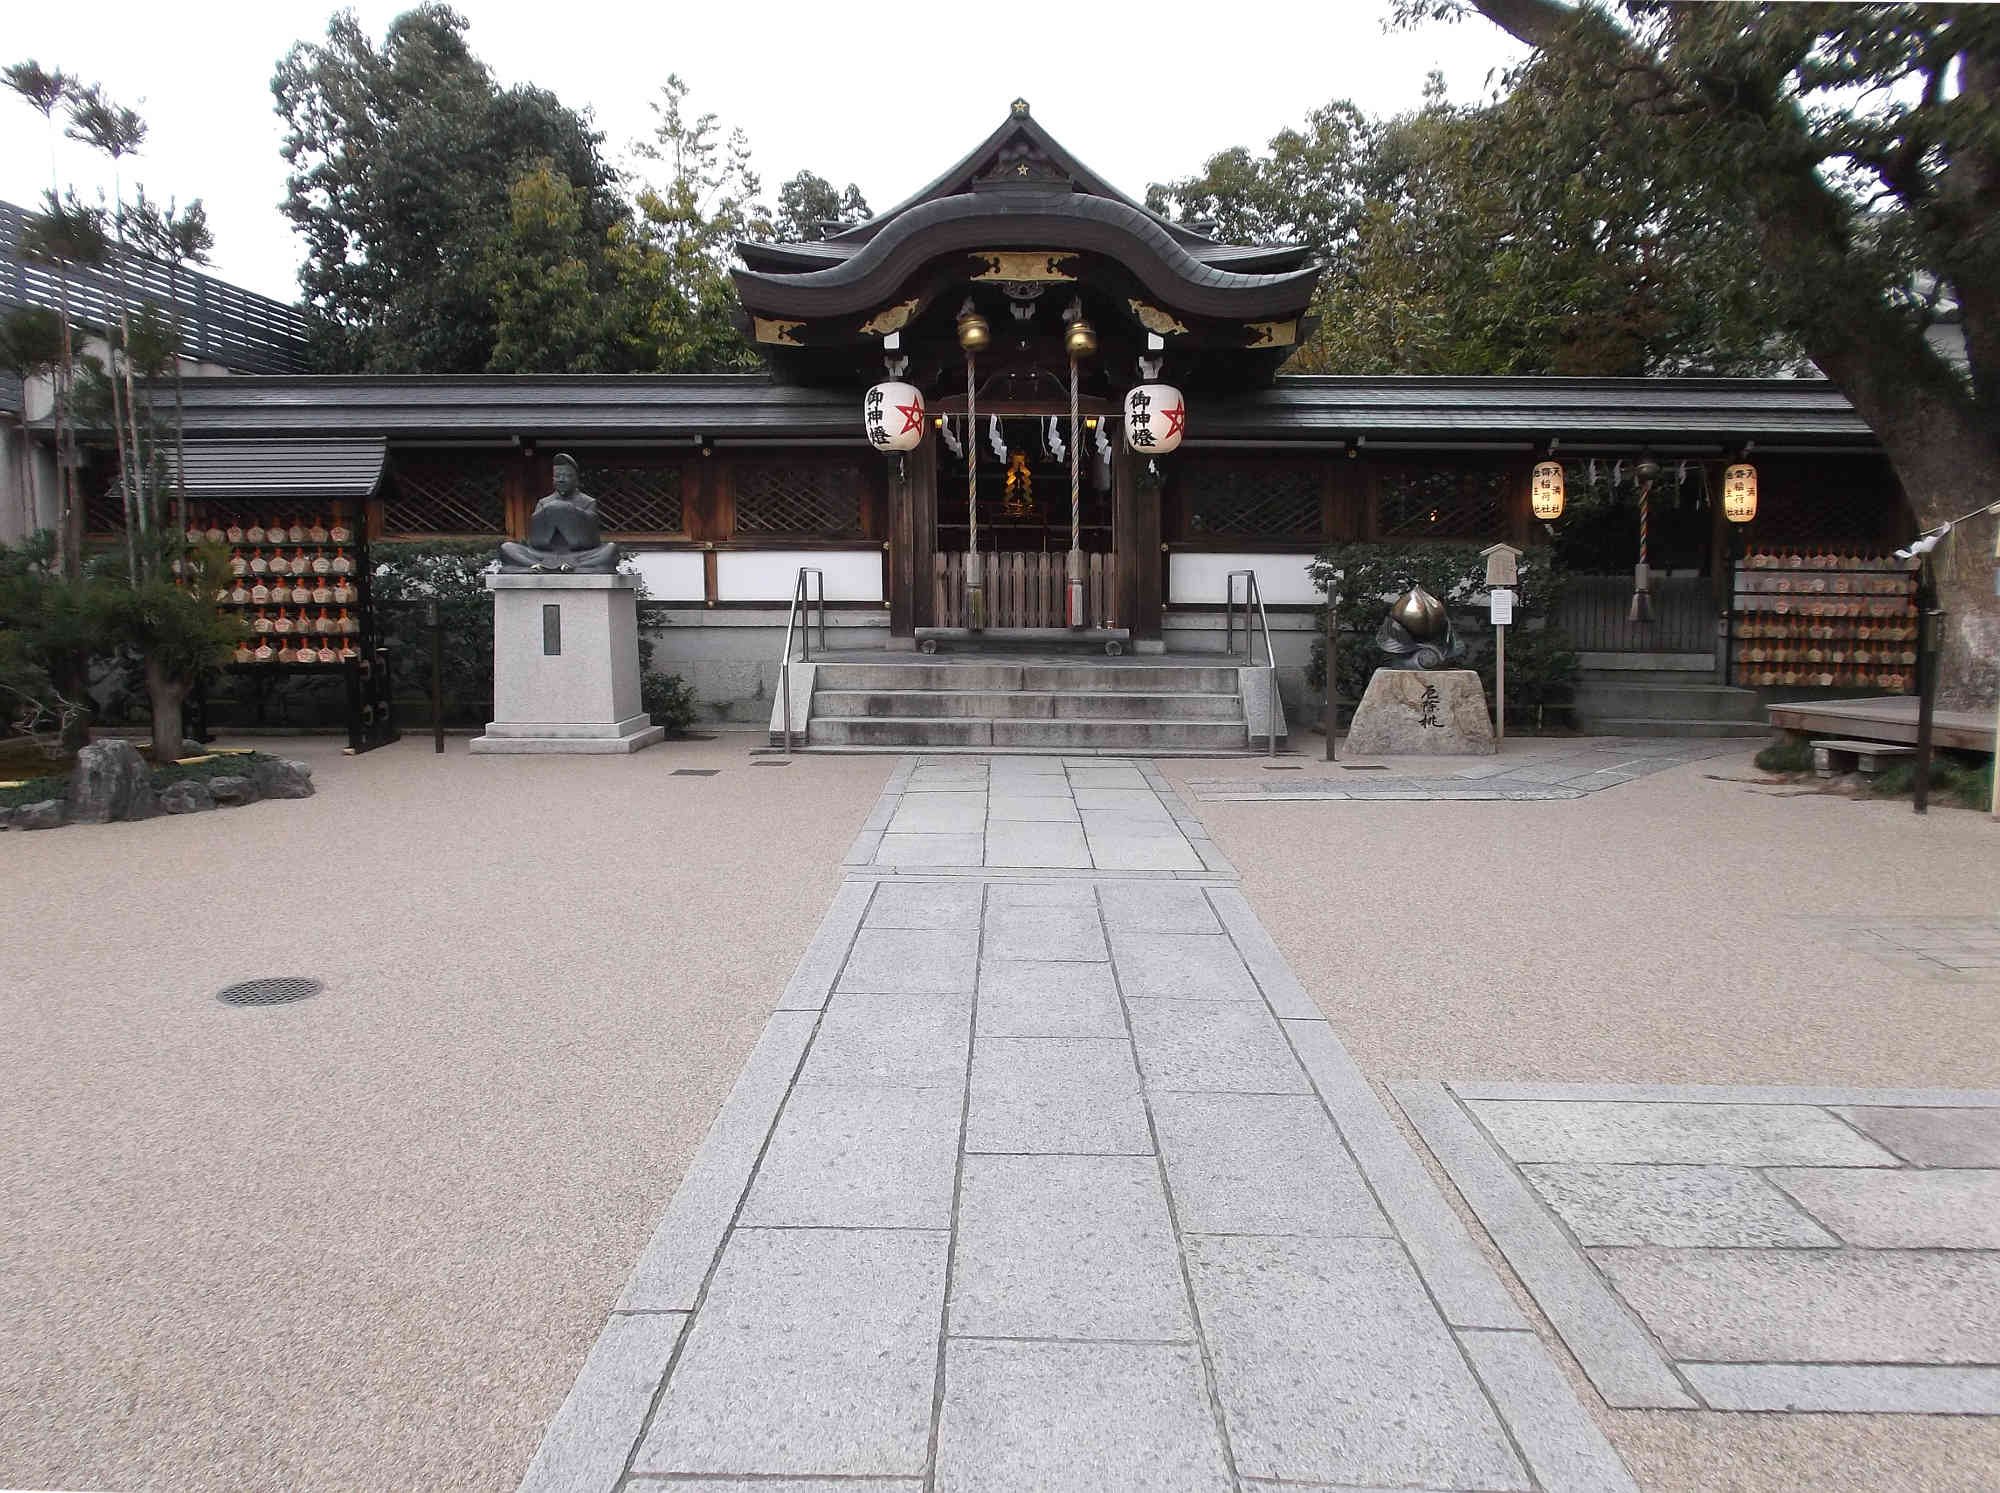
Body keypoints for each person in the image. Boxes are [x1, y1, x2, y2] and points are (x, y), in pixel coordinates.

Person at [497, 454, 619, 573]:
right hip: (544, 555)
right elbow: (536, 542)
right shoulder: (544, 502)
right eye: (558, 476)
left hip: (579, 555)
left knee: (611, 549)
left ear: (576, 479)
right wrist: (549, 512)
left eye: (567, 476)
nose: (561, 479)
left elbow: (590, 541)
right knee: (507, 547)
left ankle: (570, 567)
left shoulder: (587, 502)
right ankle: (537, 566)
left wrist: (568, 511)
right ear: (553, 479)